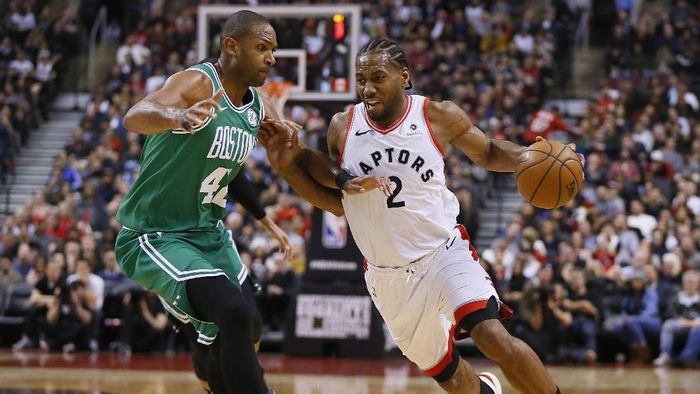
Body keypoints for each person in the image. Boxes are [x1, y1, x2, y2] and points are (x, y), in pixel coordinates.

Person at [259, 38, 584, 394]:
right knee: (453, 378)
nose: (367, 87)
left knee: (492, 336)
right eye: (361, 78)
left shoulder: (436, 115)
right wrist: (291, 169)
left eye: (378, 77)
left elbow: (489, 151)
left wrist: (534, 156)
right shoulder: (343, 127)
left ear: (404, 76)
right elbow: (337, 201)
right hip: (387, 278)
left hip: (442, 253)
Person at [114, 11, 381, 394]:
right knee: (233, 314)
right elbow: (135, 116)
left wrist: (343, 181)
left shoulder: (258, 107)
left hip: (209, 233)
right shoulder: (196, 82)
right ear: (230, 46)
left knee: (249, 324)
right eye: (261, 48)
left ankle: (209, 368)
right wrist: (178, 116)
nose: (271, 57)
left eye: (273, 50)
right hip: (155, 233)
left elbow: (287, 160)